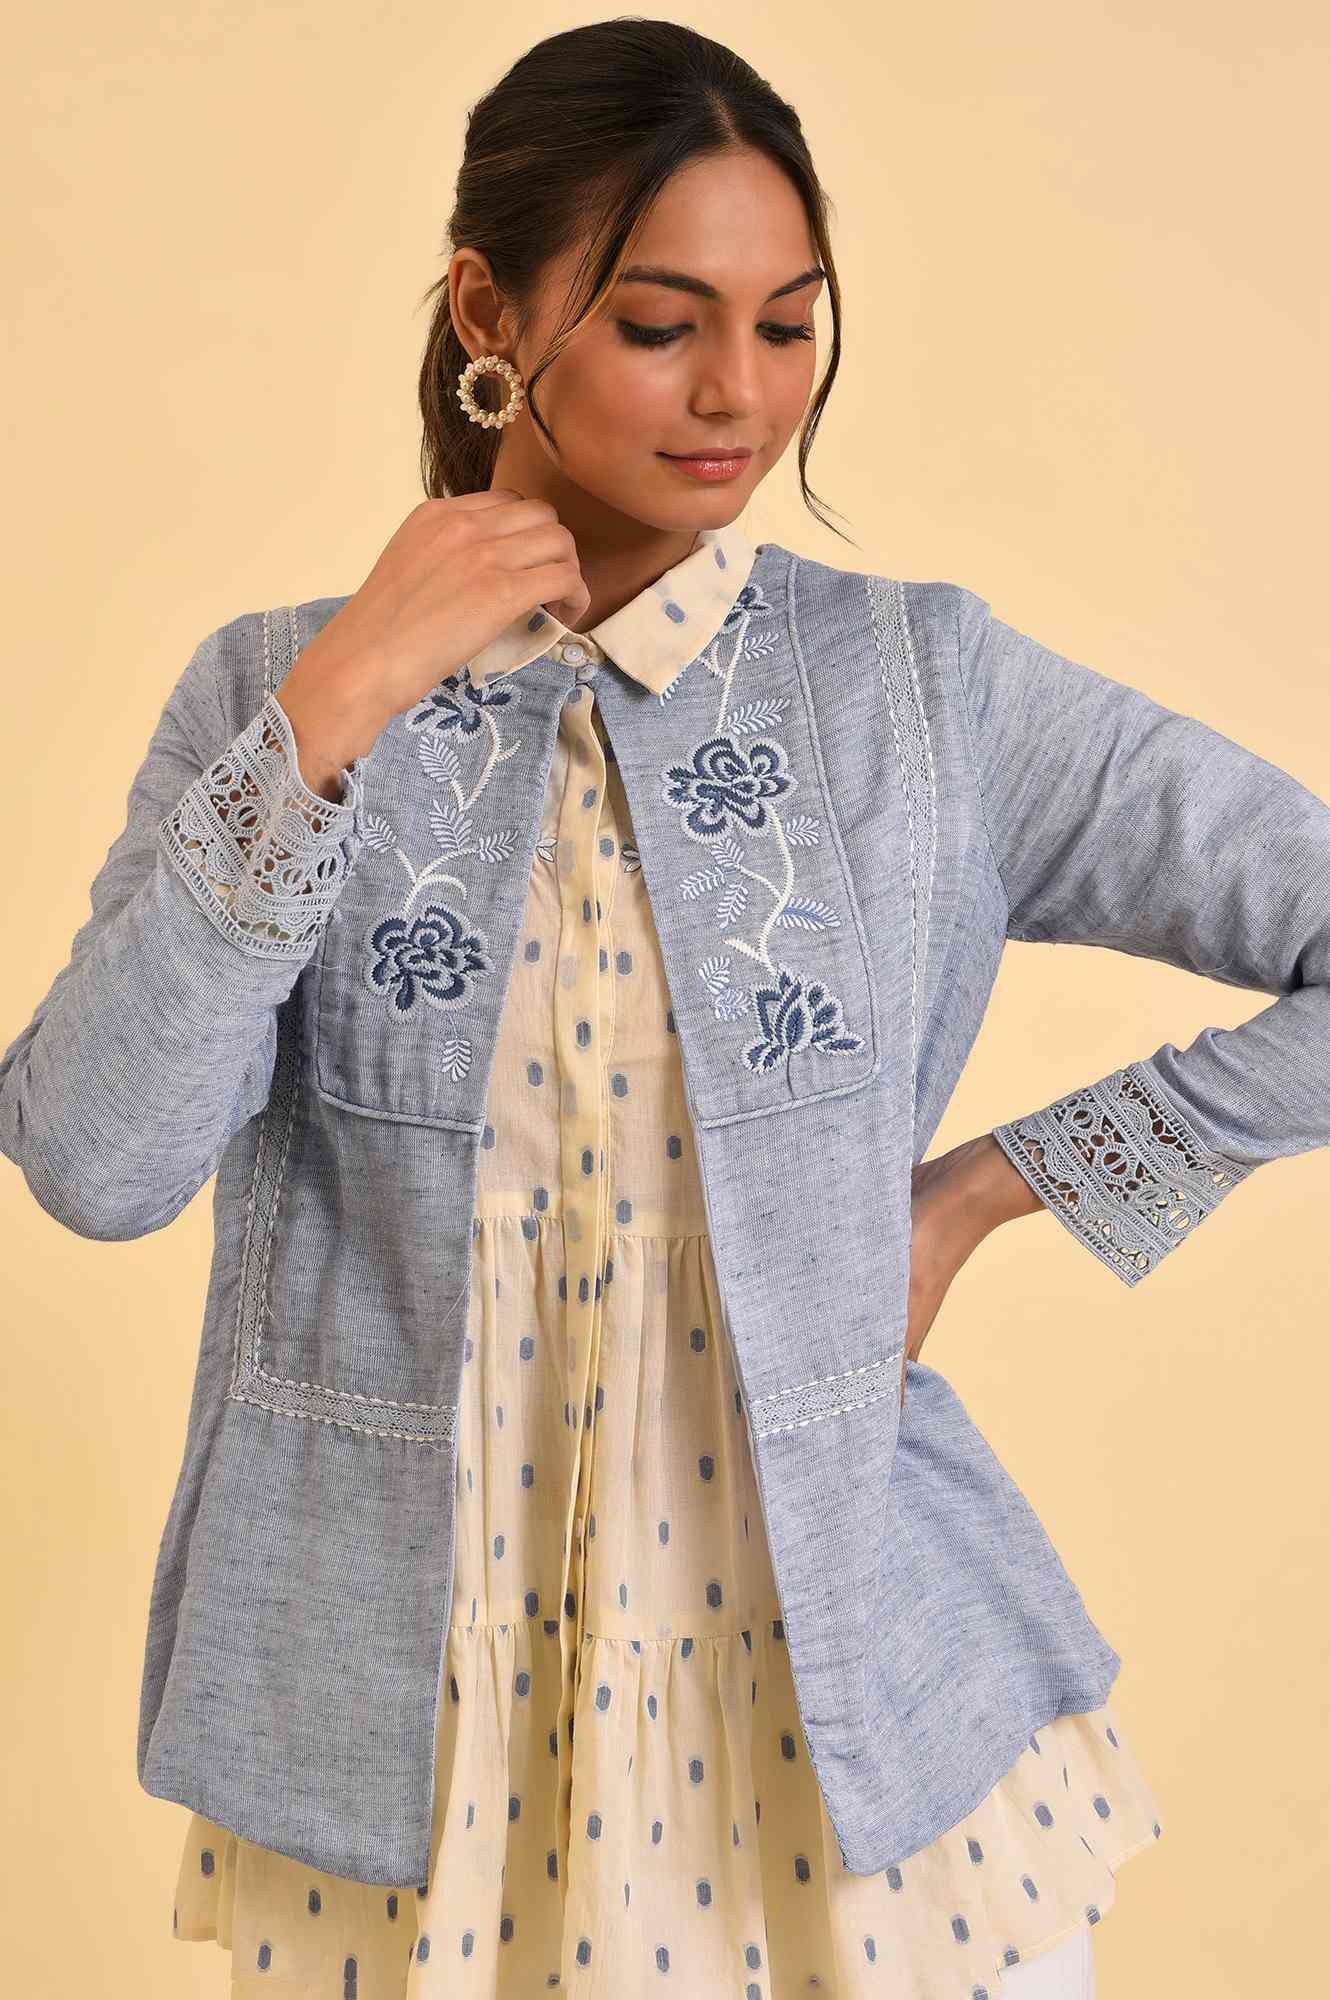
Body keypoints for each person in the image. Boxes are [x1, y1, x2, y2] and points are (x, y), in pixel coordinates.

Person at [11, 18, 1328, 1999]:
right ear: (489, 311)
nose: (739, 395)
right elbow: (96, 1162)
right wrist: (341, 696)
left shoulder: (922, 697)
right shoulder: (272, 693)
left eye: (788, 325)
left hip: (860, 1752)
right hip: (417, 1761)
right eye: (659, 324)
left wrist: (978, 1196)